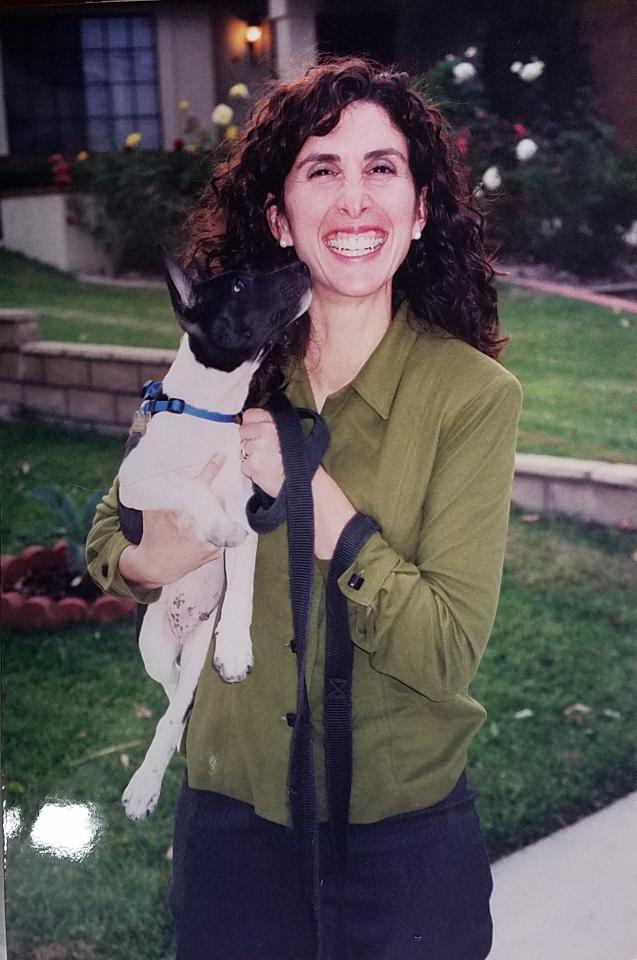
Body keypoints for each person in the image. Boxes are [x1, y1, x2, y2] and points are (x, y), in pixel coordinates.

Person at [86, 57, 523, 960]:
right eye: (322, 169)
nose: (354, 200)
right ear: (281, 218)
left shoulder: (472, 397)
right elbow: (109, 536)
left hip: (402, 848)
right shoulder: (215, 368)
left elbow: (445, 649)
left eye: (382, 168)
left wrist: (324, 510)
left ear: (420, 208)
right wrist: (152, 556)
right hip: (233, 828)